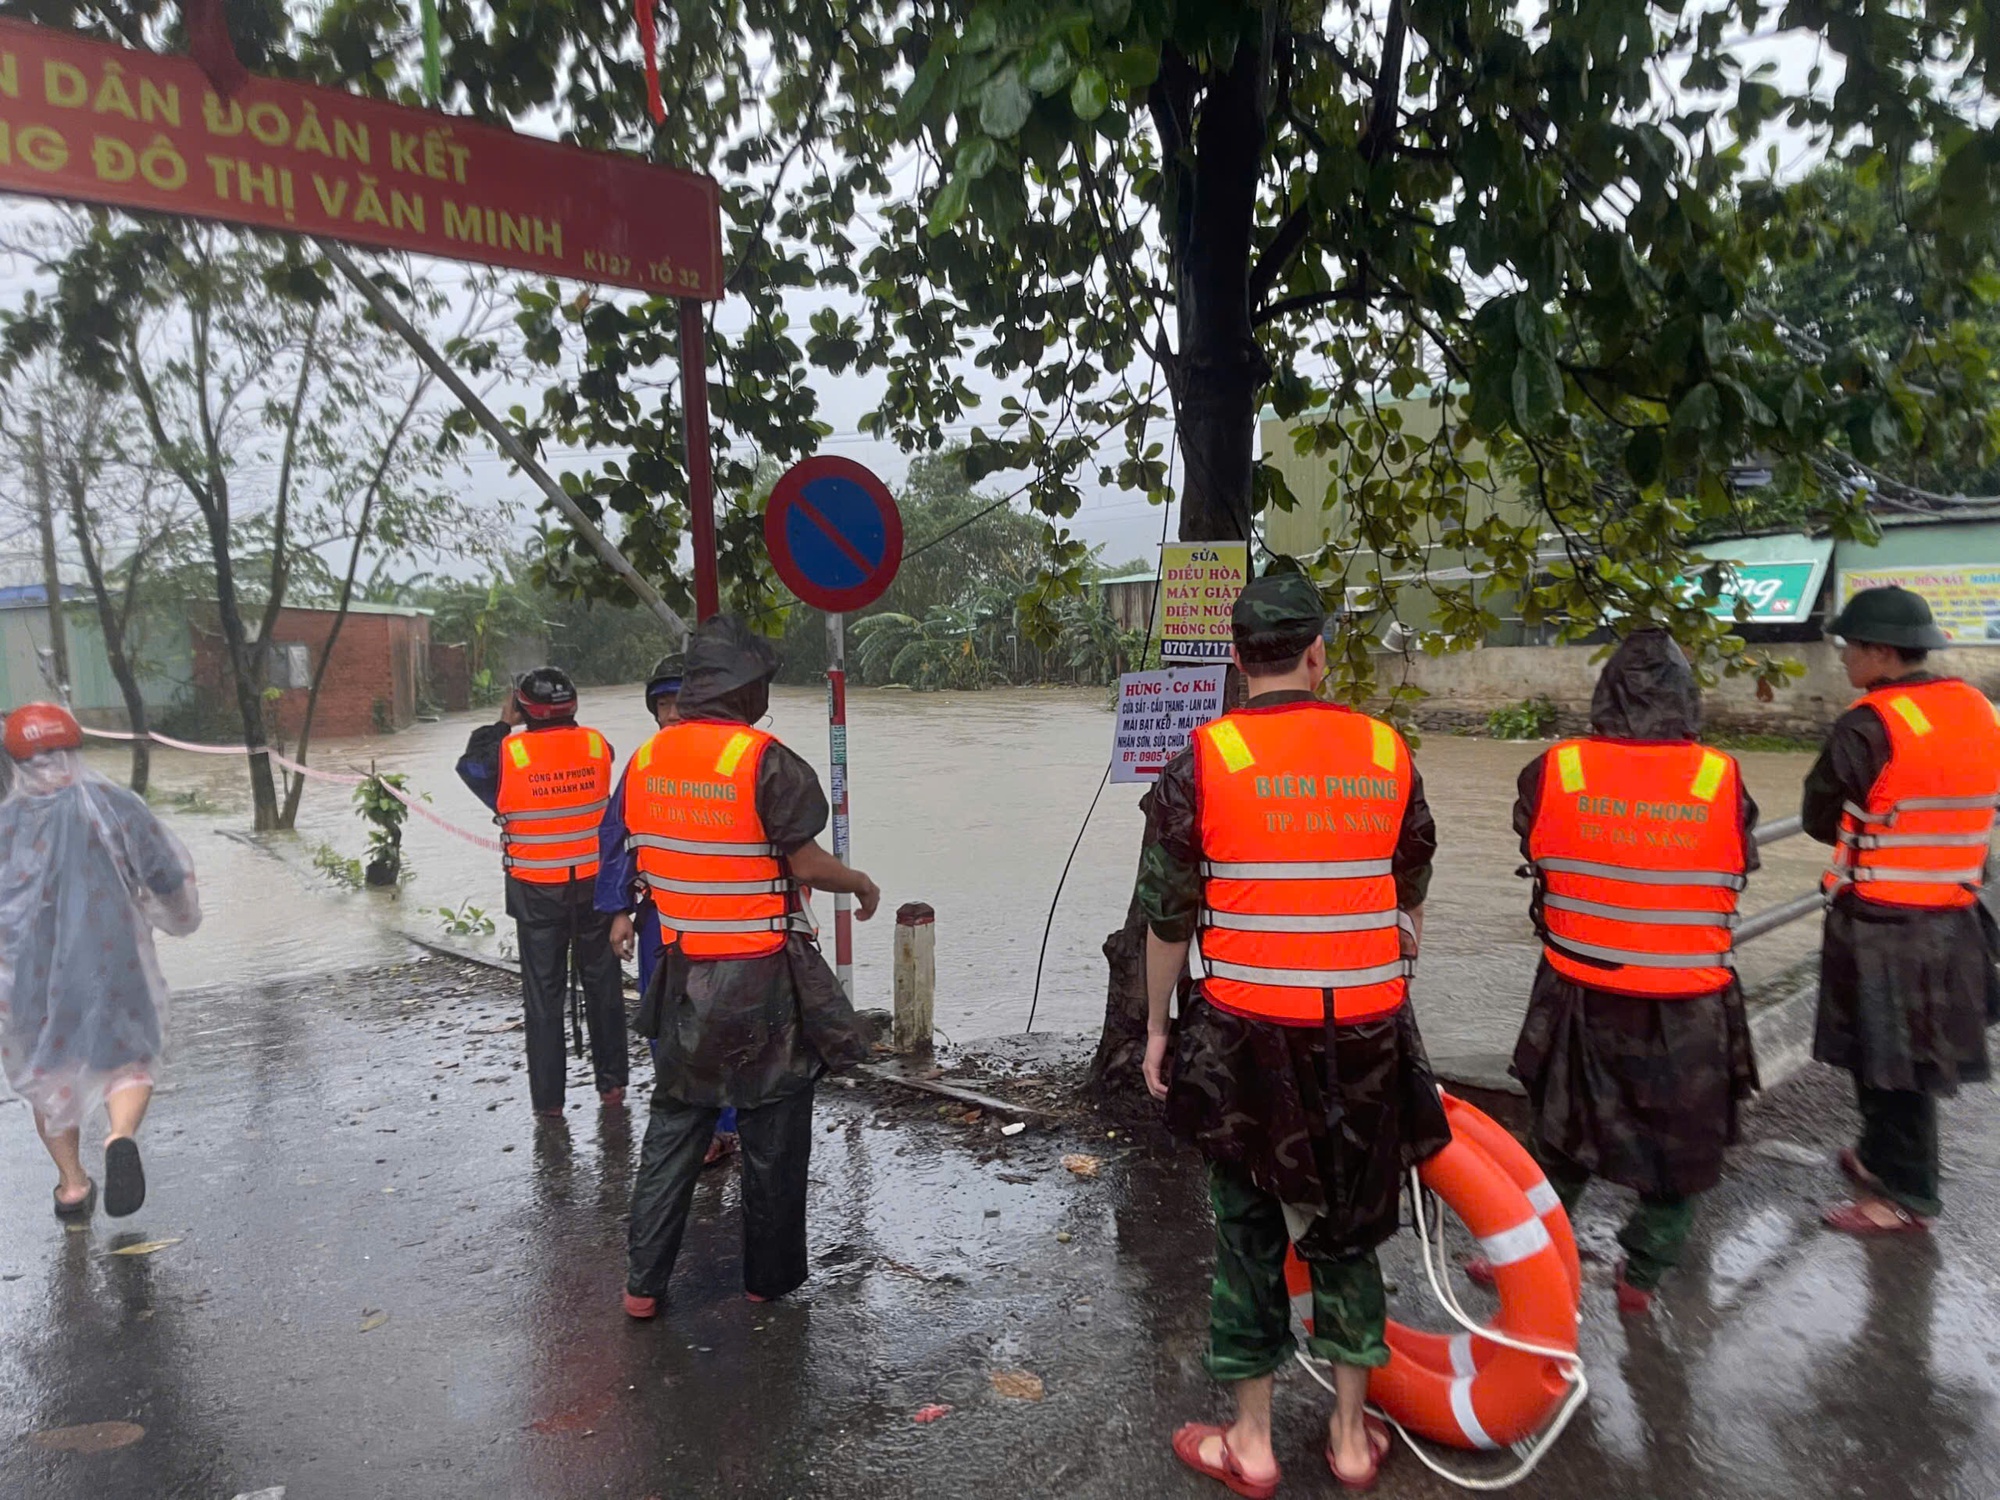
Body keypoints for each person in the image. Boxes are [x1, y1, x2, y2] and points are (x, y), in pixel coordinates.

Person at [1141, 569, 1450, 1495]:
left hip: (1243, 1041)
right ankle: (1352, 1442)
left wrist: (1158, 1032)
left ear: (1238, 660)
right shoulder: (1387, 751)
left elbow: (1165, 916)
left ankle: (1252, 1441)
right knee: (1352, 1229)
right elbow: (1412, 887)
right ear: (1320, 654)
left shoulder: (1204, 760)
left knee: (1245, 1232)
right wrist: (1387, 989)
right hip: (1362, 1034)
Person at [604, 616, 880, 1315]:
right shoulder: (765, 760)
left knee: (673, 1127)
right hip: (761, 983)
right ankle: (768, 1281)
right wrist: (860, 883)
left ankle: (642, 1286)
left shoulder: (644, 762)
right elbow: (806, 861)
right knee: (775, 1134)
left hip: (684, 972)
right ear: (743, 689)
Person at [1504, 629, 1760, 1314]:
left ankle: (1528, 1260)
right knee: (1681, 1152)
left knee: (1559, 1137)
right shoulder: (1721, 778)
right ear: (1688, 701)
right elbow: (1740, 864)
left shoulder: (1558, 768)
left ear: (1604, 697)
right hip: (1690, 1000)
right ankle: (1640, 1275)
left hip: (1580, 995)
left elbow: (1530, 833)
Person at [1802, 585, 2000, 1235]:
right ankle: (1878, 1157)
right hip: (1954, 916)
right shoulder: (1977, 707)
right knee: (1887, 1057)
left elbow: (1818, 816)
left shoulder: (1869, 724)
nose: (1844, 662)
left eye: (1850, 649)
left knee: (1896, 1067)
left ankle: (1907, 1199)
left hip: (1885, 924)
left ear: (1880, 652)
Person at [0, 702, 201, 1220]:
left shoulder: (6, 823)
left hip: (27, 978)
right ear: (75, 745)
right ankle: (119, 1136)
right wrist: (180, 918)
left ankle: (72, 1186)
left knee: (47, 1073)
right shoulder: (114, 803)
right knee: (128, 1062)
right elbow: (165, 873)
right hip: (113, 962)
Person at [456, 667, 629, 1120]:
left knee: (543, 997)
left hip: (536, 893)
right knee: (603, 988)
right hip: (594, 889)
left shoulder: (505, 754)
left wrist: (501, 722)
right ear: (574, 705)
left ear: (522, 708)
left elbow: (470, 765)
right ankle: (612, 1089)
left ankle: (549, 1103)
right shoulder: (598, 746)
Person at [600, 652, 739, 1165]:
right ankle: (695, 1127)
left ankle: (730, 1125)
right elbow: (618, 838)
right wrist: (618, 910)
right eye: (663, 703)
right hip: (663, 919)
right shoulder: (643, 764)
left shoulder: (737, 757)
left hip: (730, 918)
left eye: (681, 700)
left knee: (726, 1024)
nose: (673, 712)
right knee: (666, 1026)